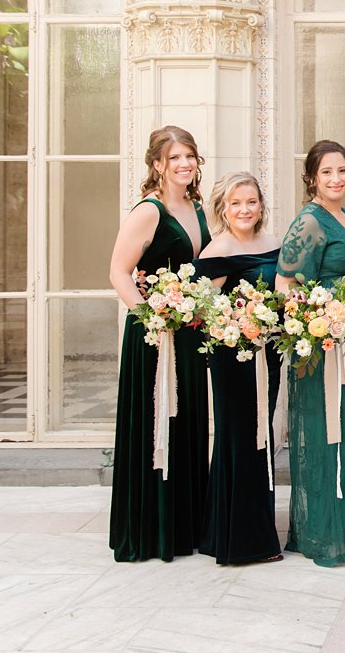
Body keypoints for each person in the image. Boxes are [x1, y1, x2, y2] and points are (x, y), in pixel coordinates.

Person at [275, 141, 345, 566]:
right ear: (312, 178)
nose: (336, 179)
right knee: (336, 432)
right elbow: (285, 286)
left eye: (342, 170)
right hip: (332, 350)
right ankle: (331, 534)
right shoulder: (309, 221)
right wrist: (322, 320)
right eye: (327, 172)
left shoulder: (343, 215)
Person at [108, 125, 211, 562]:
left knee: (187, 420)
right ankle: (152, 529)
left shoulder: (198, 206)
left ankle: (185, 526)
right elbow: (117, 272)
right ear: (157, 165)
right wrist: (153, 317)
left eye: (189, 156)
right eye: (174, 159)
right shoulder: (148, 212)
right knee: (154, 426)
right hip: (154, 336)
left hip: (188, 335)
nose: (184, 164)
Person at [193, 172, 283, 565]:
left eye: (251, 201)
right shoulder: (218, 250)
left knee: (262, 437)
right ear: (223, 209)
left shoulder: (275, 244)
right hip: (234, 358)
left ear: (261, 205)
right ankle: (244, 542)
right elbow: (204, 311)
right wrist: (239, 324)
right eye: (235, 203)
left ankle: (222, 532)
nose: (245, 209)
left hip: (270, 352)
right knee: (240, 438)